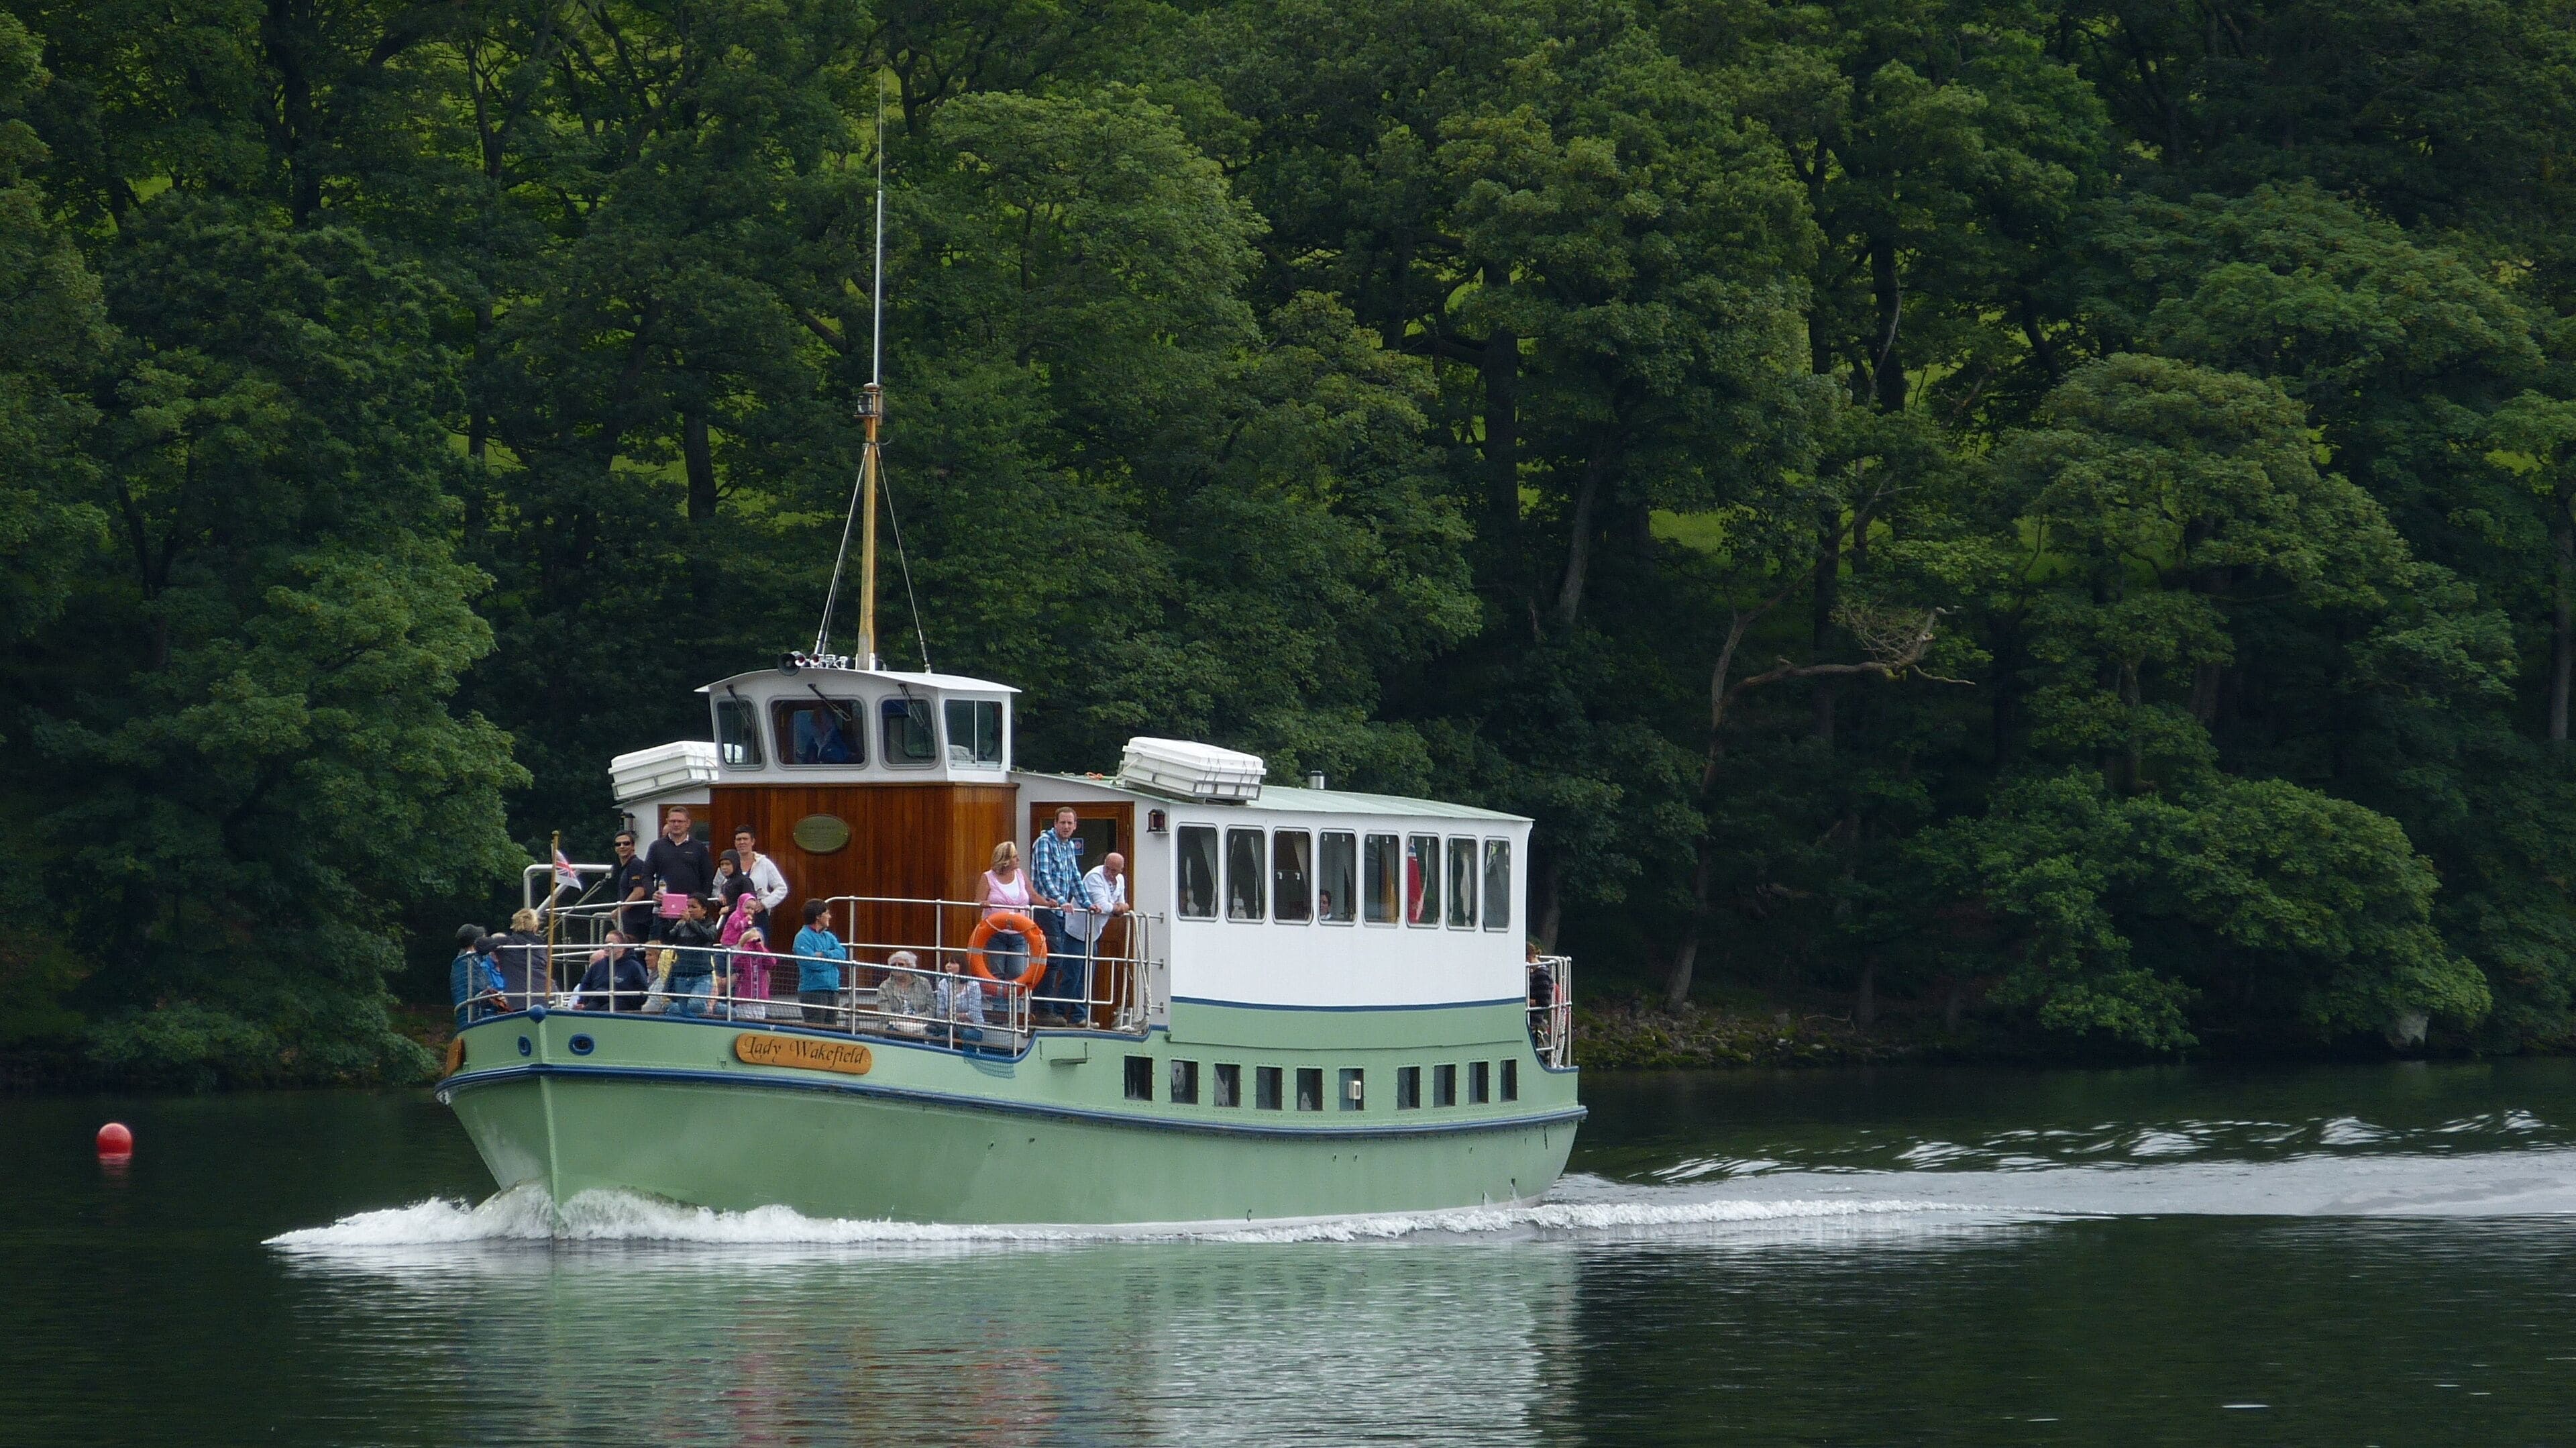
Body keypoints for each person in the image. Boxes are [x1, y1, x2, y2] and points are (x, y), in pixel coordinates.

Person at [1063, 850, 1133, 1027]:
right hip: (1077, 932)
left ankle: (1079, 1017)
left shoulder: (1120, 881)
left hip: (1094, 934)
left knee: (1087, 976)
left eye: (1114, 871)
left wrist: (1118, 907)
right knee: (1072, 976)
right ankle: (1059, 1014)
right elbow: (1103, 906)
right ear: (1104, 864)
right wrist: (1118, 907)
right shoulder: (1094, 876)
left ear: (1121, 871)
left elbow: (1122, 903)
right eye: (1108, 869)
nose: (1109, 874)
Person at [1028, 808, 1083, 1022]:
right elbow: (1044, 876)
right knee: (1052, 958)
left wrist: (1088, 903)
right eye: (1063, 823)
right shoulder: (1044, 842)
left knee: (1058, 960)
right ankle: (1042, 1009)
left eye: (1070, 823)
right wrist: (1061, 901)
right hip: (1045, 909)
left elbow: (1075, 878)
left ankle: (1049, 1009)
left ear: (1075, 825)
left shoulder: (1069, 846)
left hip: (1060, 912)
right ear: (1055, 823)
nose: (1067, 827)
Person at [644, 805, 715, 939]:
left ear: (688, 823)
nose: (676, 824)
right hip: (663, 910)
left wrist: (701, 904)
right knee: (660, 951)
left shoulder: (699, 848)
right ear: (667, 822)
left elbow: (708, 878)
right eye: (673, 821)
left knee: (687, 952)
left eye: (680, 821)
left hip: (690, 913)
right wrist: (652, 893)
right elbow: (646, 875)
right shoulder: (656, 847)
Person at [973, 840, 1035, 990]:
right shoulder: (988, 877)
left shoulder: (1020, 875)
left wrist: (1049, 904)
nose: (1018, 860)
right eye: (1015, 857)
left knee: (1017, 972)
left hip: (1019, 932)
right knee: (997, 973)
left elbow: (1032, 894)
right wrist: (984, 903)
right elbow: (978, 900)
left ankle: (1014, 1009)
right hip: (996, 932)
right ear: (1005, 860)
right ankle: (999, 1009)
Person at [661, 896, 720, 1018]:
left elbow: (709, 936)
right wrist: (664, 920)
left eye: (694, 907)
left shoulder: (710, 925)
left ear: (704, 910)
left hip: (702, 975)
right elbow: (667, 939)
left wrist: (690, 922)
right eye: (688, 907)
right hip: (682, 974)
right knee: (684, 1012)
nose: (690, 910)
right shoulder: (680, 925)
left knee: (696, 1005)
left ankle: (712, 1011)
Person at [794, 900, 849, 1026]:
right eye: (827, 913)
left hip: (832, 990)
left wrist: (824, 955)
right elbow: (812, 963)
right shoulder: (802, 937)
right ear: (818, 916)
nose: (830, 916)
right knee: (816, 1032)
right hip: (813, 991)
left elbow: (842, 955)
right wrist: (832, 961)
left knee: (832, 1031)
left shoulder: (829, 936)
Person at [724, 892, 775, 1015]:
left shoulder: (762, 956)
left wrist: (759, 947)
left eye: (753, 909)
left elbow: (772, 962)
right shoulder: (735, 916)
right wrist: (747, 946)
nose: (750, 911)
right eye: (748, 908)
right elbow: (736, 962)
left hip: (760, 999)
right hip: (744, 999)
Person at [576, 931, 649, 1013]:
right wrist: (583, 1002)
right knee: (588, 1011)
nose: (607, 947)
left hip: (623, 1003)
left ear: (622, 947)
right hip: (598, 1000)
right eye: (606, 943)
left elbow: (642, 993)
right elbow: (585, 984)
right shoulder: (598, 966)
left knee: (606, 1010)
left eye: (610, 944)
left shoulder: (634, 967)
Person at [492, 907, 552, 1006]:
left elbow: (481, 945)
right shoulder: (541, 948)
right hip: (545, 998)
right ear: (535, 927)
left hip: (517, 1002)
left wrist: (496, 944)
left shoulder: (505, 943)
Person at [449, 924, 504, 1027]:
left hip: (472, 1015)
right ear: (476, 942)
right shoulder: (469, 962)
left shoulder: (465, 961)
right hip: (477, 1017)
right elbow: (478, 989)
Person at [933, 947, 988, 1044]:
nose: (948, 966)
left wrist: (952, 1015)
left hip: (973, 1027)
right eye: (947, 963)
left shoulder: (973, 985)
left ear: (962, 966)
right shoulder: (943, 983)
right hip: (949, 1026)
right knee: (939, 1036)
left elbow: (974, 1015)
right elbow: (940, 1014)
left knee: (967, 1035)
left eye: (953, 963)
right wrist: (962, 1016)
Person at [607, 829, 653, 943]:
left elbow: (639, 891)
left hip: (640, 923)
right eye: (618, 844)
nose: (622, 846)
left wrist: (619, 910)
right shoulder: (625, 868)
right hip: (630, 922)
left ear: (633, 846)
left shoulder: (635, 864)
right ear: (615, 848)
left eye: (626, 843)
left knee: (636, 955)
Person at [732, 827, 791, 913]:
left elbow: (782, 888)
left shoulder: (765, 863)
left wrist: (764, 903)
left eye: (745, 839)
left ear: (752, 842)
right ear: (735, 843)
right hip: (734, 915)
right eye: (739, 839)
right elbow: (716, 889)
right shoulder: (728, 863)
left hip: (758, 914)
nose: (742, 842)